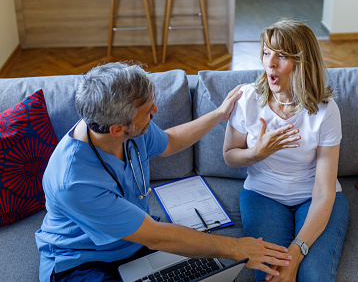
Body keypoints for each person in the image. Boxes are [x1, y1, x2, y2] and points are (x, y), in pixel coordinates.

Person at [35, 62, 292, 282]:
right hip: (82, 261)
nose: (156, 110)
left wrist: (218, 115)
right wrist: (236, 248)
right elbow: (156, 237)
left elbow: (169, 142)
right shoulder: (73, 182)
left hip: (134, 243)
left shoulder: (126, 132)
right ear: (117, 129)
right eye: (148, 110)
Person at [223, 20, 350, 282]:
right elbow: (229, 155)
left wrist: (296, 252)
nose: (270, 63)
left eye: (281, 56)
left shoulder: (326, 111)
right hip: (262, 195)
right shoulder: (248, 99)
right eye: (267, 53)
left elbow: (324, 191)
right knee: (270, 275)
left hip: (315, 199)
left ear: (303, 62)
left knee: (314, 276)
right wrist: (256, 153)